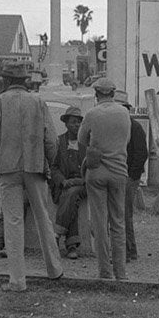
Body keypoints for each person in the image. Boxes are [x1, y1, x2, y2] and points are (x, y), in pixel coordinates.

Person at [0, 65, 63, 292]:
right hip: (35, 166)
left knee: (13, 221)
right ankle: (54, 269)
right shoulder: (38, 102)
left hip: (7, 168)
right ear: (26, 82)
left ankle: (17, 280)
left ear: (5, 81)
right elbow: (52, 141)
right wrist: (46, 161)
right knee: (43, 217)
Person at [78, 79, 131, 280]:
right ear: (113, 93)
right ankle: (121, 272)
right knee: (118, 223)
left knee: (100, 224)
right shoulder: (124, 113)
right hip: (119, 171)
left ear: (97, 94)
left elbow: (82, 139)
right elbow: (126, 140)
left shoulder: (92, 114)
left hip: (97, 171)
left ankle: (104, 272)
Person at [50, 105, 86, 260]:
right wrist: (62, 181)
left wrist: (79, 180)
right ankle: (71, 245)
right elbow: (53, 167)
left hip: (83, 184)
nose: (76, 125)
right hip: (65, 185)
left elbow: (91, 166)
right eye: (73, 122)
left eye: (78, 122)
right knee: (70, 198)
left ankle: (56, 234)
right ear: (66, 124)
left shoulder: (86, 143)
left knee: (71, 194)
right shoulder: (59, 142)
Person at [119, 93, 149, 262]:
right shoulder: (120, 127)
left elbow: (141, 154)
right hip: (122, 176)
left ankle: (128, 252)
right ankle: (128, 251)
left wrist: (132, 176)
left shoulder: (134, 127)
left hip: (128, 177)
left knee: (124, 214)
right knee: (121, 214)